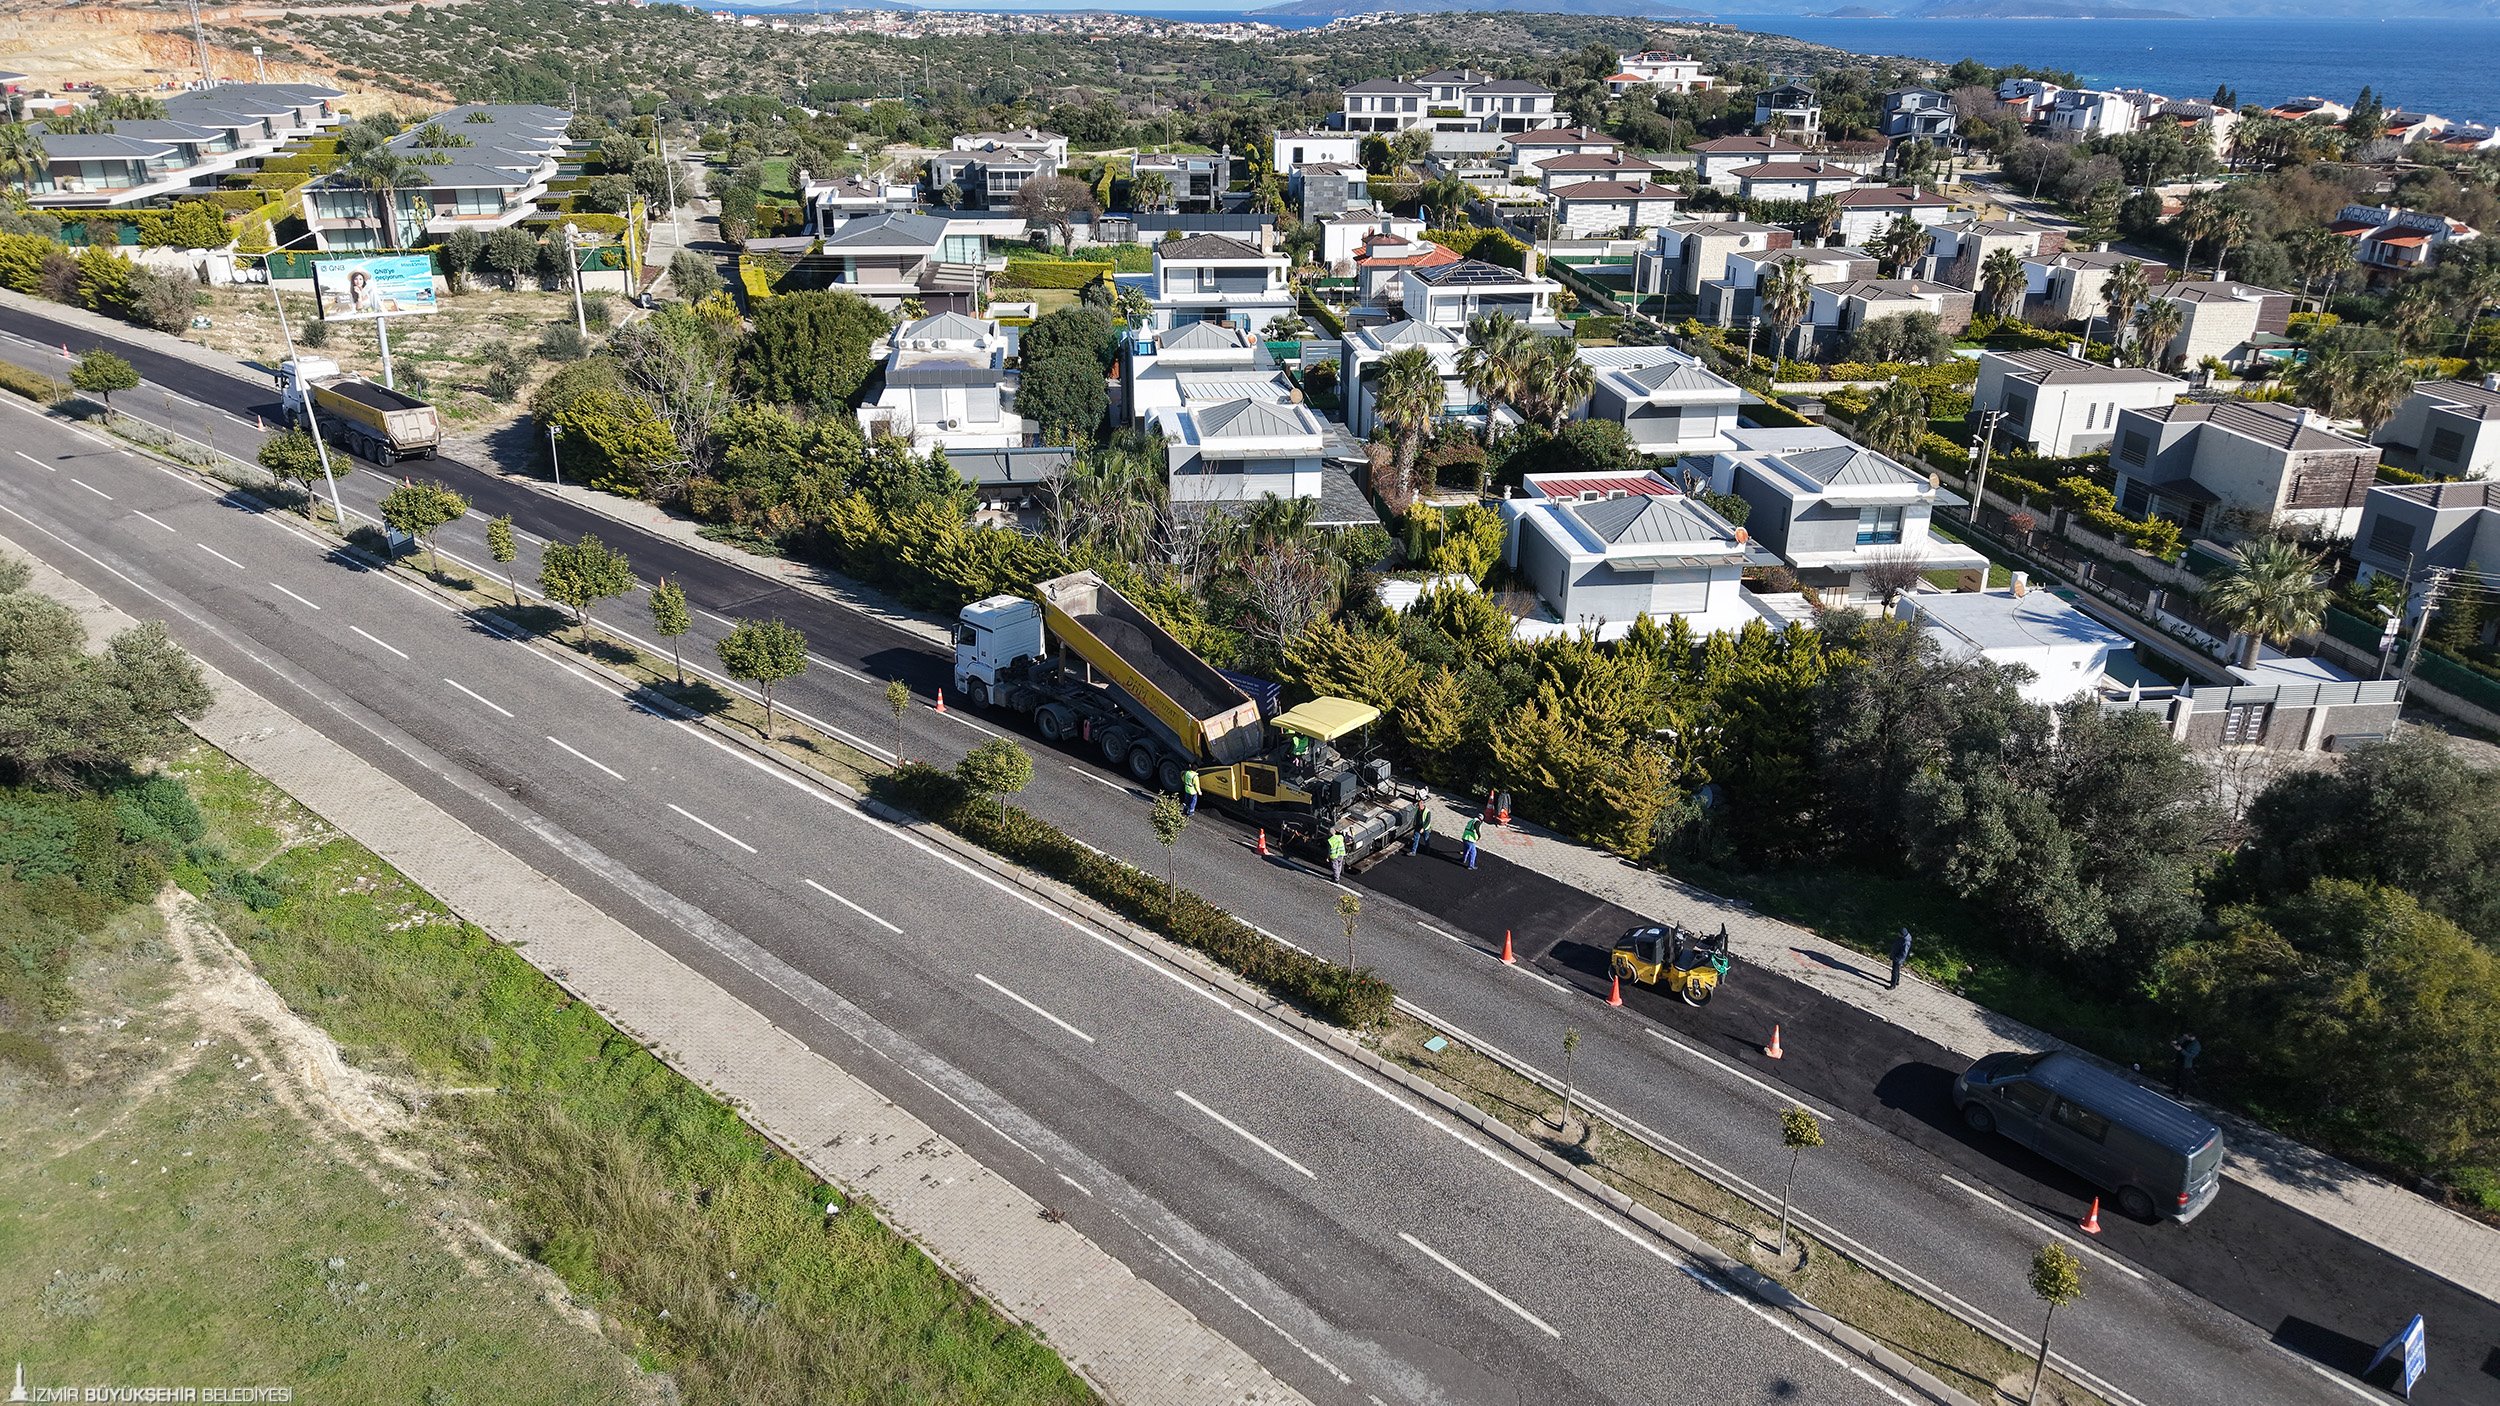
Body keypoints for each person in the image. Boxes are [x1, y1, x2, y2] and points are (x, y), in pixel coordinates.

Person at [2170, 1033, 2200, 1099]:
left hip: (2187, 1064)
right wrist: (2175, 1043)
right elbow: (2180, 1043)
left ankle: (2183, 1094)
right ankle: (2175, 1089)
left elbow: (2191, 1056)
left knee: (2184, 1079)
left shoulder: (2196, 1045)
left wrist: (2181, 1050)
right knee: (2176, 1076)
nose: (2184, 1036)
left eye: (2186, 1035)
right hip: (2179, 1061)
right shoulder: (2186, 1041)